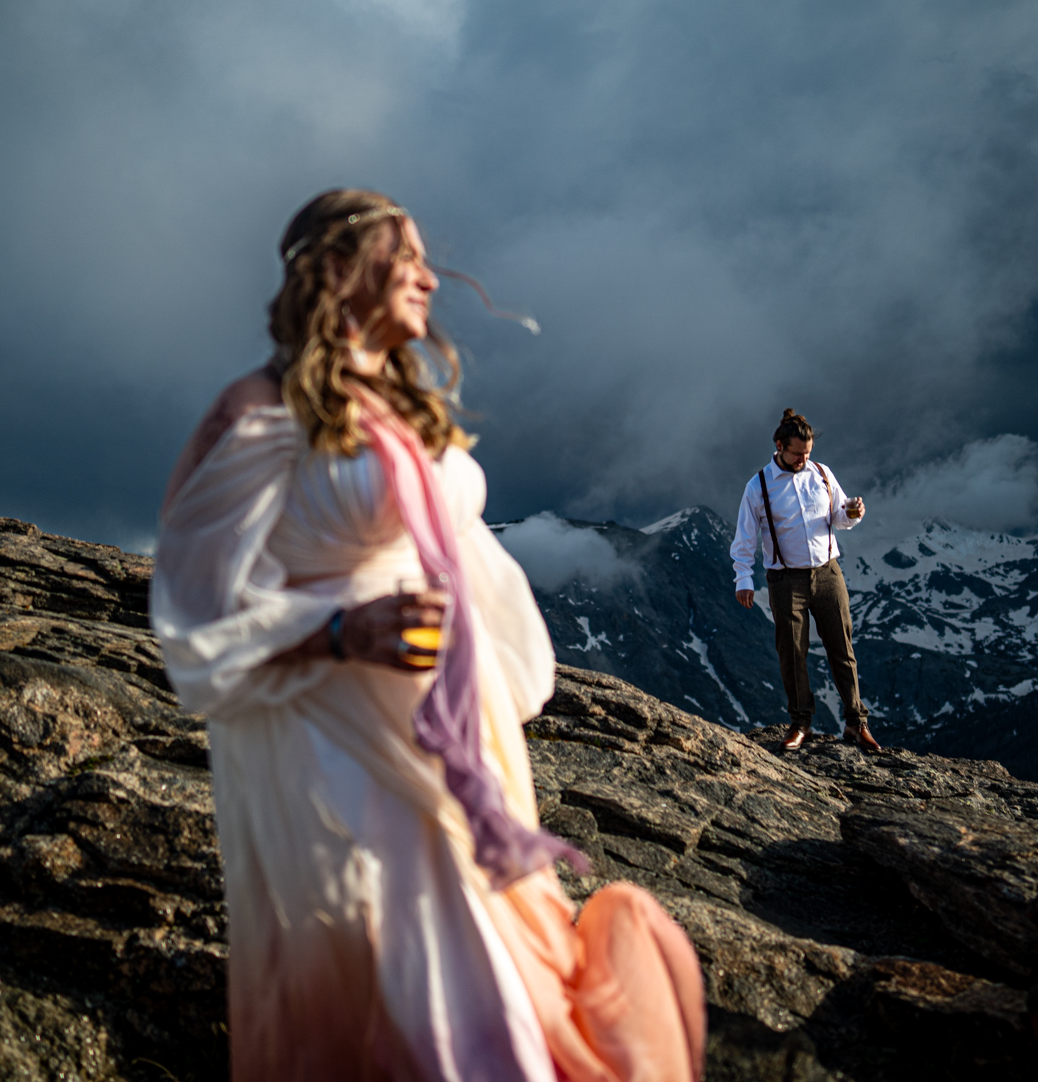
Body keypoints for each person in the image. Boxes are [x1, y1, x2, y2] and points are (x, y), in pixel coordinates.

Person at [152, 189, 706, 1082]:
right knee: (419, 972)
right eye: (402, 254)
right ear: (337, 270)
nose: (428, 273)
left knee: (483, 953)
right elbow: (197, 607)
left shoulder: (401, 406)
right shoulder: (260, 410)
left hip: (453, 730)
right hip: (338, 735)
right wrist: (342, 626)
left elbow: (465, 556)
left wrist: (490, 673)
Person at [729, 409, 881, 755]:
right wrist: (743, 578)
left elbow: (838, 517)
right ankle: (801, 724)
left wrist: (853, 513)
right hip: (785, 581)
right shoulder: (758, 486)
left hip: (828, 573)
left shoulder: (823, 474)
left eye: (808, 453)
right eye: (798, 454)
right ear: (780, 446)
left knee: (842, 648)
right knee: (793, 653)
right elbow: (744, 539)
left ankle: (857, 723)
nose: (804, 460)